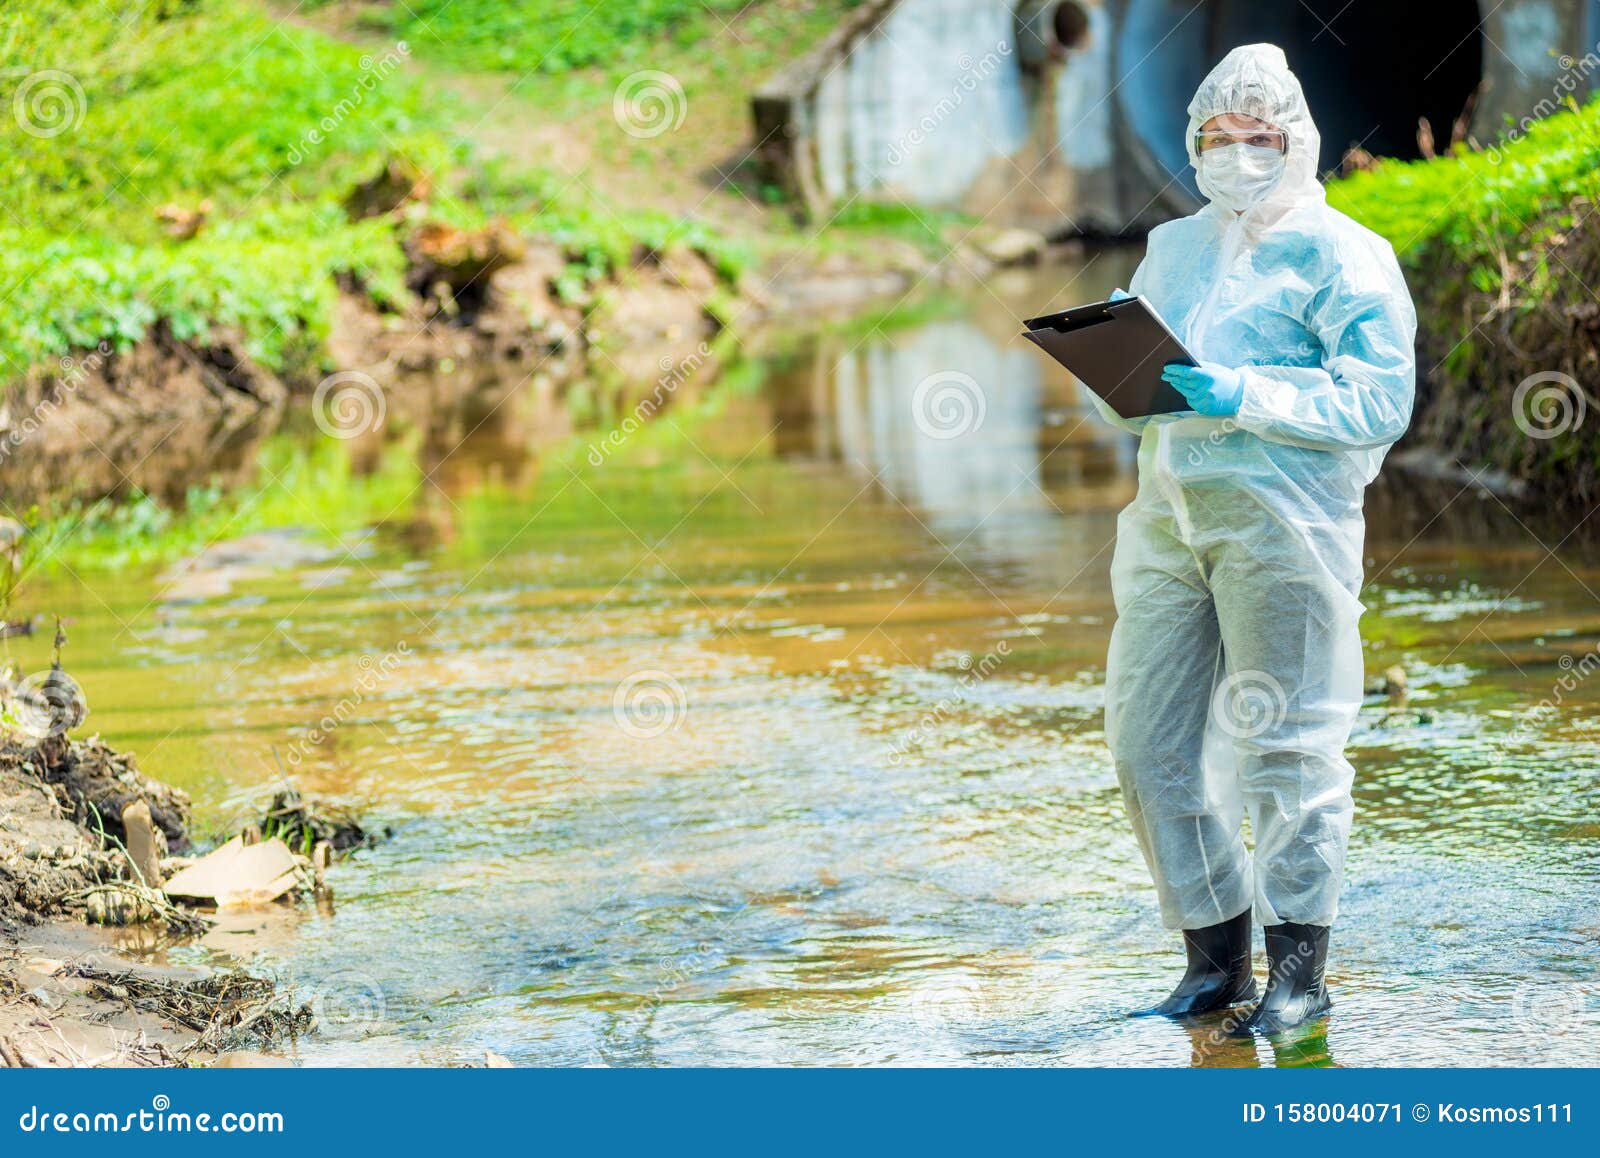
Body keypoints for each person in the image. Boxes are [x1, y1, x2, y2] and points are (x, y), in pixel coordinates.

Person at [1095, 44, 1416, 1033]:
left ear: (1296, 141)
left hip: (1288, 525)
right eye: (1218, 137)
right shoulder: (1173, 249)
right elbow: (1153, 394)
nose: (1238, 154)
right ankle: (1212, 958)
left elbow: (1378, 399)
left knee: (1290, 744)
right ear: (1193, 144)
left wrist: (1246, 396)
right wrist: (1121, 372)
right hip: (1168, 518)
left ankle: (1299, 974)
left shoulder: (1343, 251)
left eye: (1260, 137)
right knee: (1147, 744)